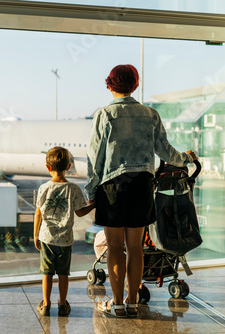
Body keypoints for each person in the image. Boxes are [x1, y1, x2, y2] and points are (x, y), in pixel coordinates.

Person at [85, 64, 198, 318]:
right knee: (135, 247)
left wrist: (92, 191)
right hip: (142, 186)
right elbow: (166, 152)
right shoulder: (150, 114)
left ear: (110, 85)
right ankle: (133, 302)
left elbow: (95, 159)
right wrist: (187, 158)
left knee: (114, 247)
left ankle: (117, 305)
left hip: (113, 187)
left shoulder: (104, 114)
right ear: (135, 85)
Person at [34, 146, 95, 316]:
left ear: (48, 167)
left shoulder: (43, 188)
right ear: (69, 167)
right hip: (65, 240)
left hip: (47, 238)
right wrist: (95, 204)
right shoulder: (74, 189)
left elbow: (38, 213)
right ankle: (62, 304)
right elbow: (80, 212)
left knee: (46, 273)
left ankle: (46, 305)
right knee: (63, 274)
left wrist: (36, 234)